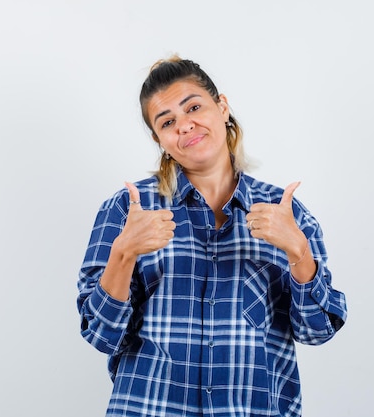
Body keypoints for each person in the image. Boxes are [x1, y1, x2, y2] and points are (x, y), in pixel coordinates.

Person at [76, 55, 347, 417]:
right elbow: (101, 335)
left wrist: (299, 251)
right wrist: (124, 252)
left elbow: (318, 331)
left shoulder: (287, 213)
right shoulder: (128, 211)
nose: (185, 126)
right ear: (159, 139)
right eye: (168, 121)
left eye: (194, 107)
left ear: (222, 107)